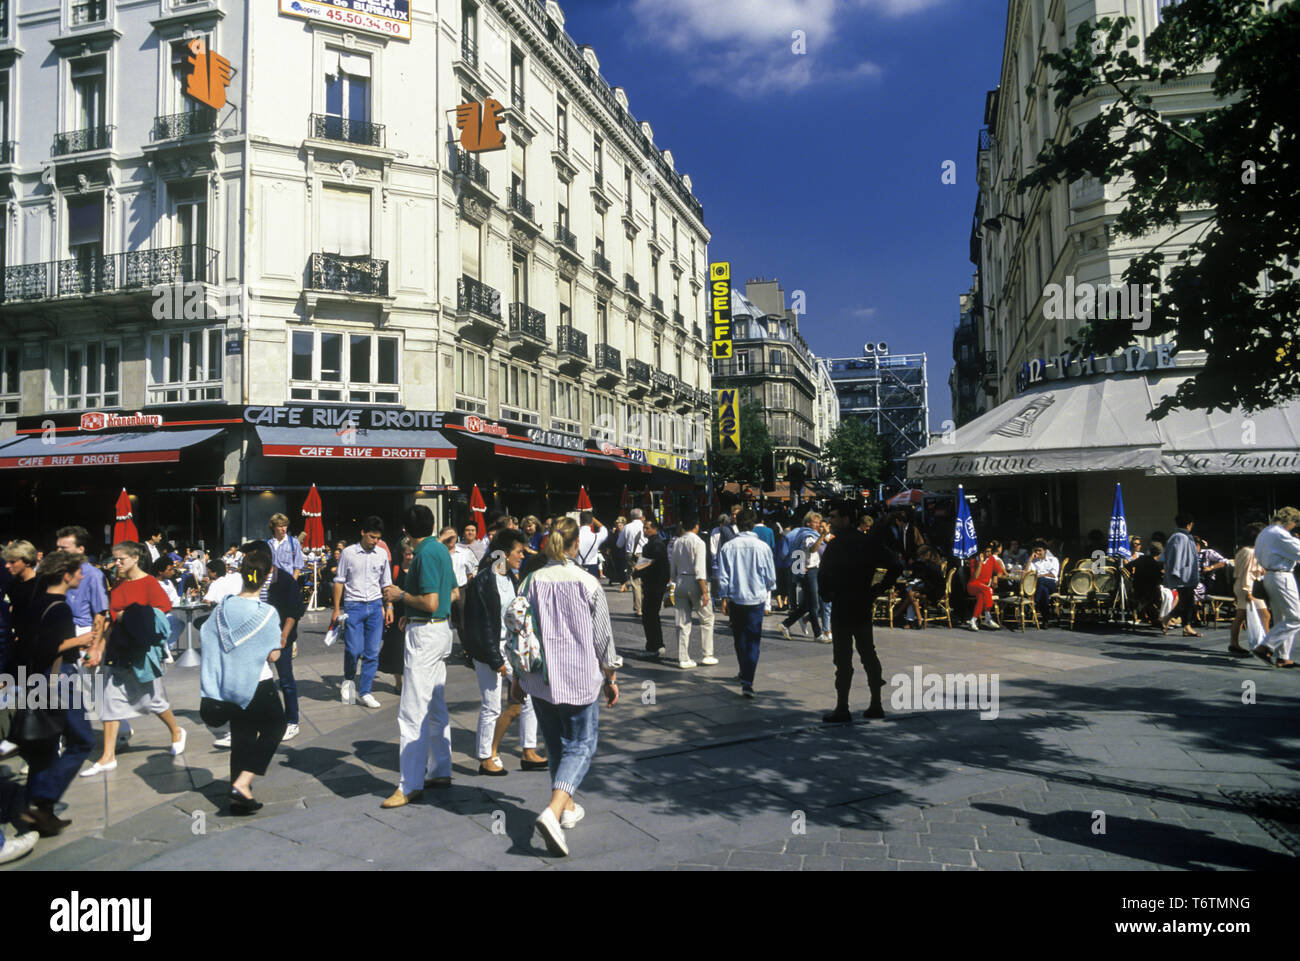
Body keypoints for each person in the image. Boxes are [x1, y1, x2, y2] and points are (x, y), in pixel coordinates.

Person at [514, 517, 619, 857]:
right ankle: (554, 809)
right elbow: (603, 637)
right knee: (582, 745)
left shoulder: (530, 580)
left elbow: (519, 631)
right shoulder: (588, 582)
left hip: (541, 677)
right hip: (579, 675)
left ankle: (567, 809)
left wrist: (517, 676)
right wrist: (611, 676)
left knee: (556, 742)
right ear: (576, 545)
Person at [79, 542, 187, 776]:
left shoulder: (150, 583)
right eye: (115, 559)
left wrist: (130, 615)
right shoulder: (117, 584)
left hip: (141, 650)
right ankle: (107, 756)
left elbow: (161, 613)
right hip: (118, 648)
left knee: (153, 699)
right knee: (110, 701)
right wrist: (97, 647)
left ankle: (177, 731)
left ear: (135, 558)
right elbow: (109, 618)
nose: (116, 563)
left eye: (121, 559)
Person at [12, 551, 96, 839]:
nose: (82, 577)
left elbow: (24, 646)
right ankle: (43, 800)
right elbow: (49, 646)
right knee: (83, 740)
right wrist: (81, 640)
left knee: (44, 746)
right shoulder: (59, 607)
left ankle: (39, 814)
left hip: (35, 680)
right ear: (66, 575)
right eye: (78, 572)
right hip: (58, 680)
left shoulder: (36, 603)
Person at [199, 549, 287, 814]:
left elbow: (206, 634)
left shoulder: (223, 607)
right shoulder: (267, 613)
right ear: (268, 575)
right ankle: (244, 782)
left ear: (241, 573)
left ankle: (238, 800)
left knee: (242, 737)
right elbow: (272, 654)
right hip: (257, 683)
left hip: (228, 685)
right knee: (276, 727)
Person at [380, 505, 456, 808]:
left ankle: (410, 784)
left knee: (412, 710)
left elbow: (429, 600)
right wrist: (410, 613)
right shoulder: (441, 550)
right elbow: (451, 595)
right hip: (440, 630)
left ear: (406, 531)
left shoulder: (423, 554)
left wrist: (401, 597)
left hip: (424, 635)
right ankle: (441, 768)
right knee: (436, 704)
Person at [461, 528, 547, 775]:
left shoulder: (512, 577)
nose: (522, 555)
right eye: (519, 551)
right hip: (490, 650)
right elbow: (479, 625)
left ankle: (528, 750)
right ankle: (486, 756)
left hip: (510, 649)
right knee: (491, 704)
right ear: (504, 553)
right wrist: (494, 658)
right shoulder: (483, 581)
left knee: (529, 695)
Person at [819, 501, 894, 722]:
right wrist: (875, 588)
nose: (830, 521)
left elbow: (824, 576)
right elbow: (892, 565)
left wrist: (827, 594)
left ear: (846, 518)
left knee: (843, 660)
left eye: (833, 517)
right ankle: (876, 703)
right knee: (868, 654)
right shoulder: (868, 542)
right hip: (861, 604)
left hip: (842, 606)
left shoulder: (836, 545)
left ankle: (842, 707)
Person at [332, 517, 394, 709]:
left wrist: (389, 606)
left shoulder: (382, 554)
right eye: (372, 537)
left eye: (378, 538)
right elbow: (339, 581)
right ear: (363, 533)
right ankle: (349, 681)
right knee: (353, 650)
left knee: (372, 652)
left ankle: (366, 691)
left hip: (375, 606)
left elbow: (386, 583)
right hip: (354, 606)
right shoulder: (348, 553)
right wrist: (336, 609)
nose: (375, 541)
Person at [716, 510, 776, 698]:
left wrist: (723, 597)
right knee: (753, 640)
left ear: (737, 524)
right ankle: (748, 679)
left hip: (736, 598)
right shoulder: (762, 547)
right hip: (756, 599)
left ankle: (744, 672)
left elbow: (723, 576)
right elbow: (771, 578)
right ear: (753, 524)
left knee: (739, 638)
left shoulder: (728, 547)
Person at [55, 527, 111, 724]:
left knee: (91, 686)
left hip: (85, 633)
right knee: (67, 686)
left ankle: (119, 730)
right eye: (58, 548)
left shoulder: (93, 575)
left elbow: (100, 614)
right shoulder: (57, 573)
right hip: (64, 634)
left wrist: (95, 646)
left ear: (80, 549)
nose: (59, 552)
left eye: (65, 548)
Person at [1252, 507, 1300, 668]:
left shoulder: (1265, 532)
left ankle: (1283, 657)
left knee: (1282, 618)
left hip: (1270, 575)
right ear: (1291, 521)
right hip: (1282, 576)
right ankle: (1265, 646)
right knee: (1296, 617)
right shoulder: (1280, 534)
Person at [670, 513, 715, 669]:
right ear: (696, 526)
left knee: (682, 622)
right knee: (707, 618)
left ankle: (683, 658)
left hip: (680, 580)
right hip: (695, 581)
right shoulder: (699, 542)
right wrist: (705, 592)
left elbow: (672, 567)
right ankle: (707, 654)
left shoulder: (677, 542)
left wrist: (673, 583)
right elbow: (700, 569)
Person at [267, 561, 305, 742]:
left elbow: (294, 610)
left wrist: (283, 636)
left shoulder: (284, 580)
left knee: (285, 679)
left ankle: (292, 721)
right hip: (259, 637)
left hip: (281, 636)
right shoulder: (253, 577)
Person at [779, 514, 826, 641]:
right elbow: (812, 549)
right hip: (809, 571)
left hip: (811, 569)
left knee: (808, 604)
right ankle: (818, 634)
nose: (818, 525)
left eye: (819, 522)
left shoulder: (803, 533)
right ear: (808, 523)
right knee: (814, 605)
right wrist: (822, 536)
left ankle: (785, 624)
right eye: (815, 522)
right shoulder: (808, 535)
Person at [1230, 523, 1269, 657]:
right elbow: (1246, 572)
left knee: (1241, 615)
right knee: (1264, 615)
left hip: (1243, 586)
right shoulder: (1250, 552)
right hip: (1248, 587)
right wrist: (1248, 591)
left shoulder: (1245, 551)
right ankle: (1265, 645)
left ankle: (1234, 643)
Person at [1160, 514, 1200, 637]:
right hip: (1183, 575)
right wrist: (1176, 572)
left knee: (1187, 600)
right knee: (1187, 601)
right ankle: (1178, 622)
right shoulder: (1180, 537)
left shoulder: (1184, 537)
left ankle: (1176, 621)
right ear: (1189, 524)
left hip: (1186, 574)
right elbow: (1175, 555)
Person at [635, 516, 670, 657]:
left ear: (654, 529)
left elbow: (647, 565)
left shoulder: (650, 546)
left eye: (647, 528)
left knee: (649, 616)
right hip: (659, 585)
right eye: (644, 527)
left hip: (652, 585)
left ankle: (653, 646)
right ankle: (657, 644)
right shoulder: (659, 544)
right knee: (653, 615)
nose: (644, 530)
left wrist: (637, 571)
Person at [903, 545, 946, 629]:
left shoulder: (928, 567)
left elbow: (930, 585)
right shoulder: (933, 565)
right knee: (911, 594)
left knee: (911, 594)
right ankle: (912, 620)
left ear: (924, 556)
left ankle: (915, 619)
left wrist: (917, 588)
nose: (919, 558)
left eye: (920, 556)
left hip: (934, 593)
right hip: (938, 590)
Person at [965, 540, 1005, 631]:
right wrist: (980, 563)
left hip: (983, 588)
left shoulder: (991, 559)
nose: (989, 553)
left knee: (981, 597)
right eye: (987, 552)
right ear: (981, 553)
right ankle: (988, 617)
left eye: (990, 551)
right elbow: (975, 577)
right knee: (988, 590)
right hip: (973, 586)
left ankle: (973, 620)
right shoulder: (973, 561)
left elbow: (999, 571)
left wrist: (995, 577)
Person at [265, 514, 305, 600]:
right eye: (280, 526)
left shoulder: (294, 543)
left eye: (285, 526)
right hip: (271, 585)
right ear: (273, 527)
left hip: (287, 584)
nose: (284, 529)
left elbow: (297, 567)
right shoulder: (267, 544)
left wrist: (292, 584)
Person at [619, 509, 646, 614]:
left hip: (631, 556)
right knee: (644, 581)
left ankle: (638, 608)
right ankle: (645, 606)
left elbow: (619, 544)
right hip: (644, 554)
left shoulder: (627, 527)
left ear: (631, 517)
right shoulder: (645, 526)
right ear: (641, 516)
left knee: (635, 582)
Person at [1028, 540, 1060, 622]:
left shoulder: (1053, 560)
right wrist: (1030, 559)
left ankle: (1035, 601)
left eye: (1039, 550)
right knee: (1044, 591)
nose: (1038, 552)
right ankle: (1045, 619)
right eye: (1036, 551)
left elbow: (1053, 574)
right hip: (1039, 585)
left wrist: (1039, 576)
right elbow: (1027, 572)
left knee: (1041, 580)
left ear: (1045, 551)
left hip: (1052, 584)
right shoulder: (1034, 561)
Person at [575, 512, 608, 579]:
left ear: (580, 521)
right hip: (592, 568)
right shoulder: (597, 537)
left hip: (577, 567)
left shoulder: (573, 536)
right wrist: (594, 519)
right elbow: (604, 529)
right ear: (592, 522)